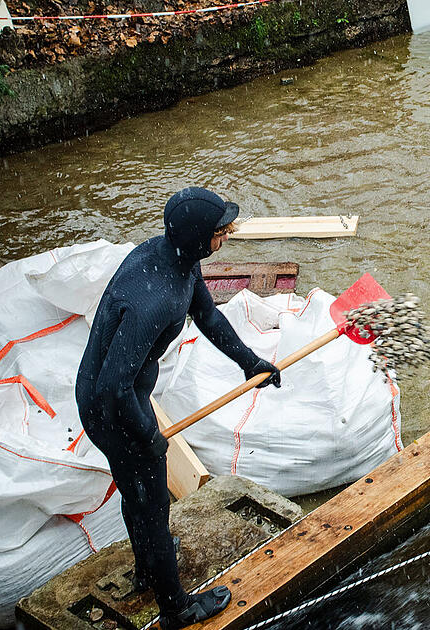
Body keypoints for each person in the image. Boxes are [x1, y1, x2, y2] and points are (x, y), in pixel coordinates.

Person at [75, 187, 280, 629]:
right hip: (110, 407)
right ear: (197, 238)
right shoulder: (155, 299)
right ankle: (175, 608)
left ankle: (150, 568)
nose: (225, 238)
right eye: (220, 232)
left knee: (139, 491)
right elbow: (113, 386)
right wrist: (147, 435)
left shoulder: (172, 259)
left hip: (114, 397)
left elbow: (207, 316)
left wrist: (250, 362)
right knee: (150, 499)